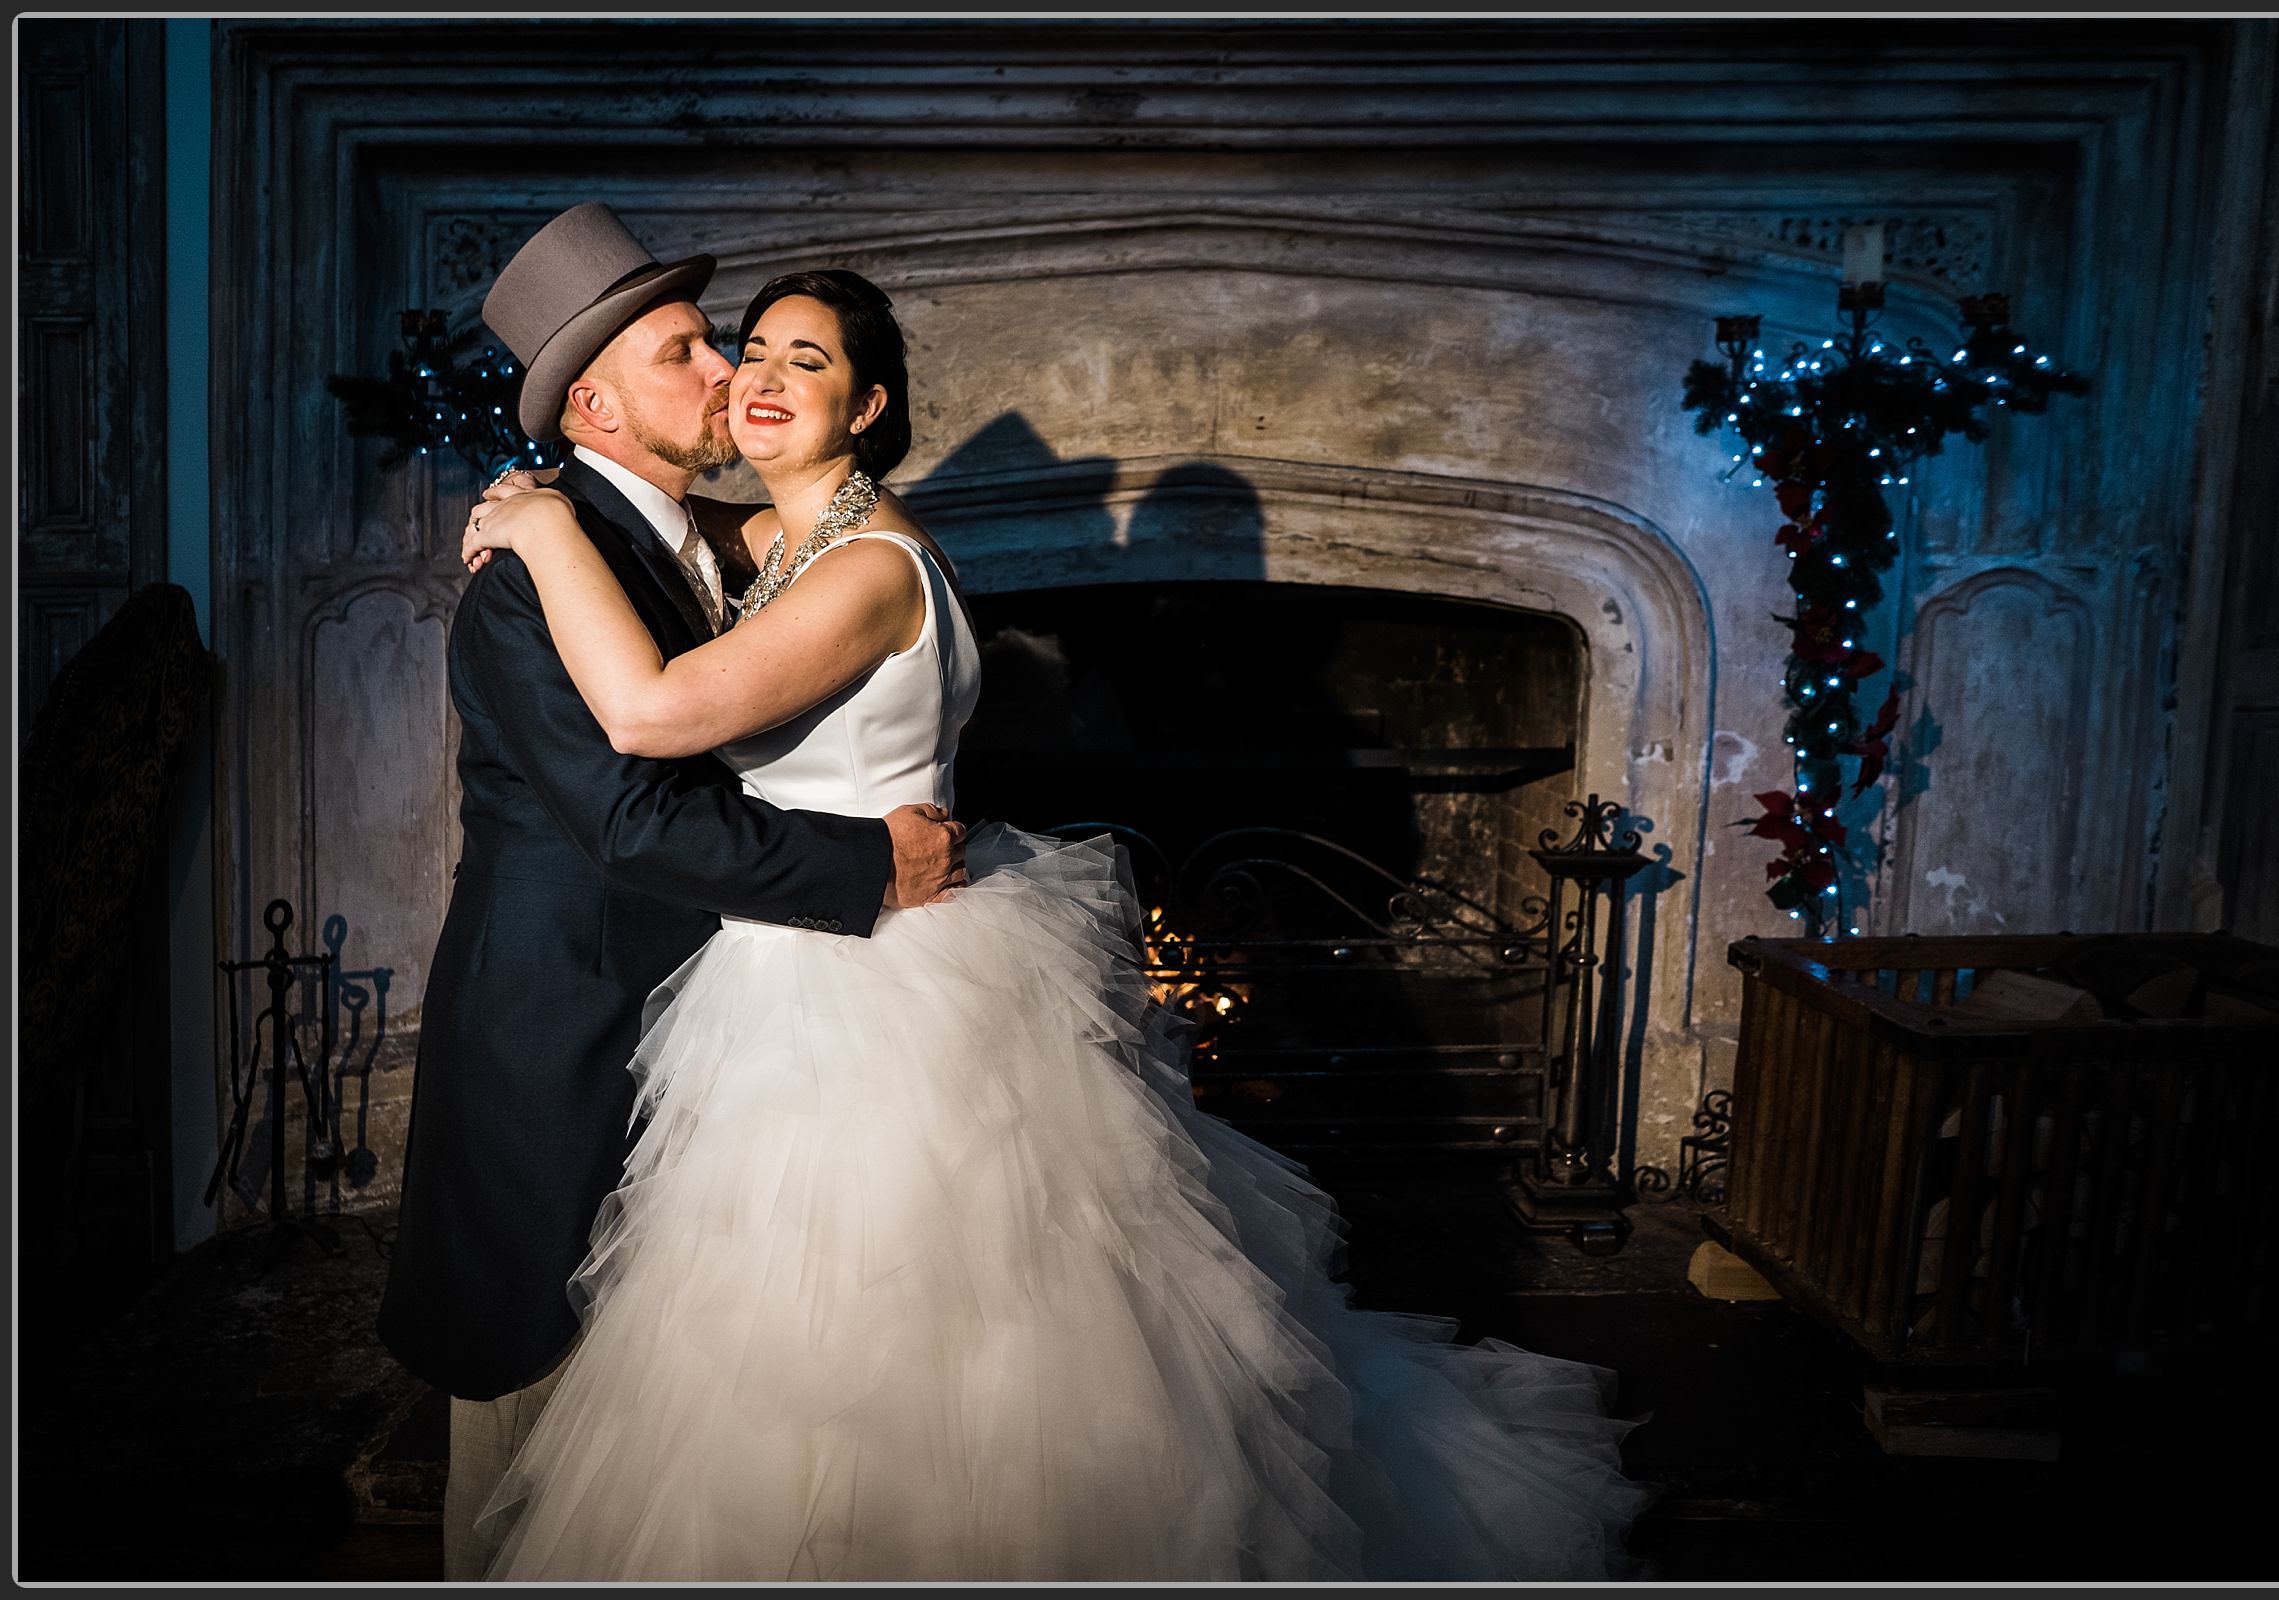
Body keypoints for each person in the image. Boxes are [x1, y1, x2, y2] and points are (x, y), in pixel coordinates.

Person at [456, 264, 1654, 1582]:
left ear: (870, 408)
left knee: (922, 1337)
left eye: (805, 361)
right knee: (789, 1331)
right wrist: (547, 505)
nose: (755, 377)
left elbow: (658, 716)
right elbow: (682, 562)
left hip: (872, 986)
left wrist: (544, 527)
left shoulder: (863, 569)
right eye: (745, 351)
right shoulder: (762, 544)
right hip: (783, 966)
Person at [373, 203, 970, 1584]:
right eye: (688, 352)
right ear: (593, 402)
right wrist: (875, 864)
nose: (727, 373)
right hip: (562, 1040)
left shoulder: (725, 543)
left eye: (740, 347)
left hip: (730, 1044)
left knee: (691, 1454)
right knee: (530, 1453)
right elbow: (634, 811)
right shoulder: (529, 586)